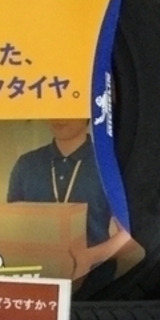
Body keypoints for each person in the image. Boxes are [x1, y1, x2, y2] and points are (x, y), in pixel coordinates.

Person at [7, 119, 130, 285]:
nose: (60, 118)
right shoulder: (26, 164)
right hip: (37, 276)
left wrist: (90, 257)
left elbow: (129, 233)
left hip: (94, 279)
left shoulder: (108, 163)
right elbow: (12, 225)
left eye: (69, 111)